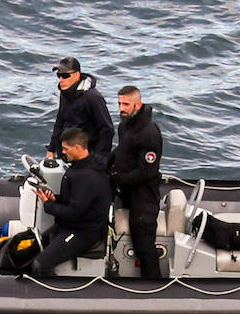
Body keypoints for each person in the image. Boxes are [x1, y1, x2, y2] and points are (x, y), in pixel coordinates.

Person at [29, 128, 112, 276]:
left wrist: (49, 205)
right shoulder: (80, 167)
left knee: (40, 265)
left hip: (83, 232)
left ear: (78, 148)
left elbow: (74, 213)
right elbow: (75, 200)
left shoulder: (88, 177)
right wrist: (56, 198)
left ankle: (53, 295)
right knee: (34, 245)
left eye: (66, 149)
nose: (63, 152)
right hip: (69, 225)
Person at [110, 84, 164, 279]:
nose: (122, 108)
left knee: (144, 245)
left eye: (126, 104)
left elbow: (147, 172)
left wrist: (117, 179)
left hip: (144, 197)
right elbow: (122, 150)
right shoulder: (125, 125)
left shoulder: (149, 133)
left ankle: (154, 286)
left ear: (137, 104)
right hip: (126, 191)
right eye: (119, 104)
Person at [47, 56, 113, 171]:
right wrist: (51, 149)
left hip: (86, 156)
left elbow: (107, 130)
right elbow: (60, 120)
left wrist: (98, 160)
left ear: (77, 75)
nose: (61, 79)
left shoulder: (93, 98)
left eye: (66, 76)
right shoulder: (65, 93)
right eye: (59, 75)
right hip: (67, 153)